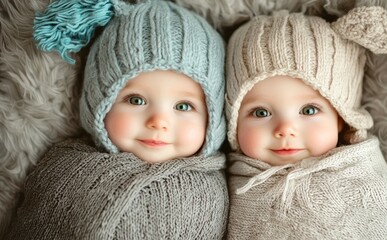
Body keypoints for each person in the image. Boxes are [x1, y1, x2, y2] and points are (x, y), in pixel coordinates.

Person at [6, 0, 228, 239]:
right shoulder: (66, 173)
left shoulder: (214, 191)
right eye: (136, 100)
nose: (158, 121)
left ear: (213, 119)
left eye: (183, 106)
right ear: (98, 102)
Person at [225, 6, 387, 239]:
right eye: (261, 113)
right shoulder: (236, 184)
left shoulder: (361, 175)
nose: (285, 129)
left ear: (341, 119)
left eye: (308, 110)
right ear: (234, 120)